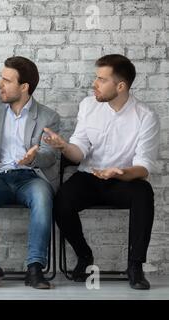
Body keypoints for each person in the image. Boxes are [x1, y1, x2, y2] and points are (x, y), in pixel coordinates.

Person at [44, 54, 159, 290]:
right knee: (61, 200)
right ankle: (84, 255)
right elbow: (79, 152)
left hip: (123, 180)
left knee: (144, 193)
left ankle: (135, 266)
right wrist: (64, 146)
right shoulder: (88, 105)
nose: (94, 84)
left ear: (120, 86)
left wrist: (120, 172)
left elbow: (144, 167)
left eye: (101, 79)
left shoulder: (146, 117)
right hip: (89, 176)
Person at [0, 56, 59, 289]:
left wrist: (33, 157)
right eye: (1, 77)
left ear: (24, 87)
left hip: (30, 177)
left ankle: (35, 267)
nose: (0, 84)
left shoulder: (48, 117)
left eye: (7, 80)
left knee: (42, 195)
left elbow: (50, 155)